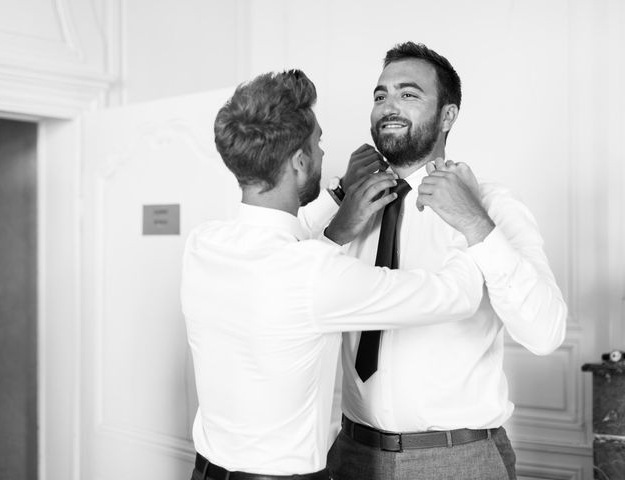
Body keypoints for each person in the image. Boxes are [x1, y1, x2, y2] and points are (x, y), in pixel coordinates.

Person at [181, 69, 486, 480]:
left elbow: (283, 278)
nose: (325, 154)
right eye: (318, 143)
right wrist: (471, 218)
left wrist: (337, 211)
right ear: (300, 160)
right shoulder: (313, 273)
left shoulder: (203, 245)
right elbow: (456, 296)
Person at [327, 42, 568, 480]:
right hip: (350, 454)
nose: (388, 106)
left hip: (456, 460)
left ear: (448, 116)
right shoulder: (349, 211)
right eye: (380, 95)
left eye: (408, 94)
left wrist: (476, 223)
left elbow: (546, 333)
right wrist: (338, 211)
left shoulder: (493, 206)